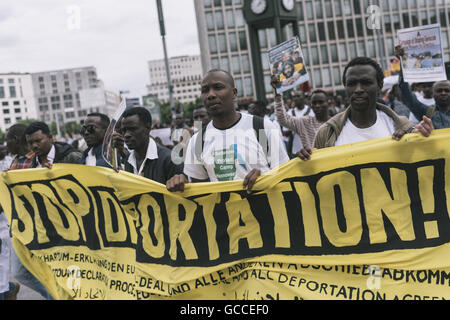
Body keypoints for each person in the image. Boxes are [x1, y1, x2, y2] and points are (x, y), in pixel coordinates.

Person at [166, 69, 289, 193]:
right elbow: (200, 194)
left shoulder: (262, 127)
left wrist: (265, 179)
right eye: (205, 91)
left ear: (234, 93)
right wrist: (182, 185)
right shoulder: (197, 142)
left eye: (218, 87)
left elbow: (286, 177)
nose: (211, 95)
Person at [298, 57, 434, 160]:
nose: (358, 89)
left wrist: (425, 139)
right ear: (345, 87)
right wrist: (304, 161)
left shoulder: (403, 127)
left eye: (366, 83)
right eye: (352, 84)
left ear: (380, 85)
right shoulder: (327, 133)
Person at [3, 124, 52, 300]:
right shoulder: (16, 161)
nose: (5, 144)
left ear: (15, 140)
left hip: (42, 227)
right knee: (19, 272)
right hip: (20, 227)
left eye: (6, 139)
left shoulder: (38, 160)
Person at [113, 107, 184, 184]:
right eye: (124, 130)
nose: (126, 135)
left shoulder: (170, 160)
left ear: (148, 127)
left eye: (133, 129)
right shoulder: (128, 161)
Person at [395, 45, 450, 129]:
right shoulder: (428, 112)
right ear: (433, 93)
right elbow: (407, 97)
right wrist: (403, 63)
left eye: (447, 90)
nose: (443, 93)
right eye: (439, 90)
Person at [272, 76, 331, 150]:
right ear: (311, 104)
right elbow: (282, 118)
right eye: (314, 103)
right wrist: (278, 93)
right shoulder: (304, 122)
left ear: (328, 102)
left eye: (321, 102)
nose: (317, 105)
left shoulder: (336, 122)